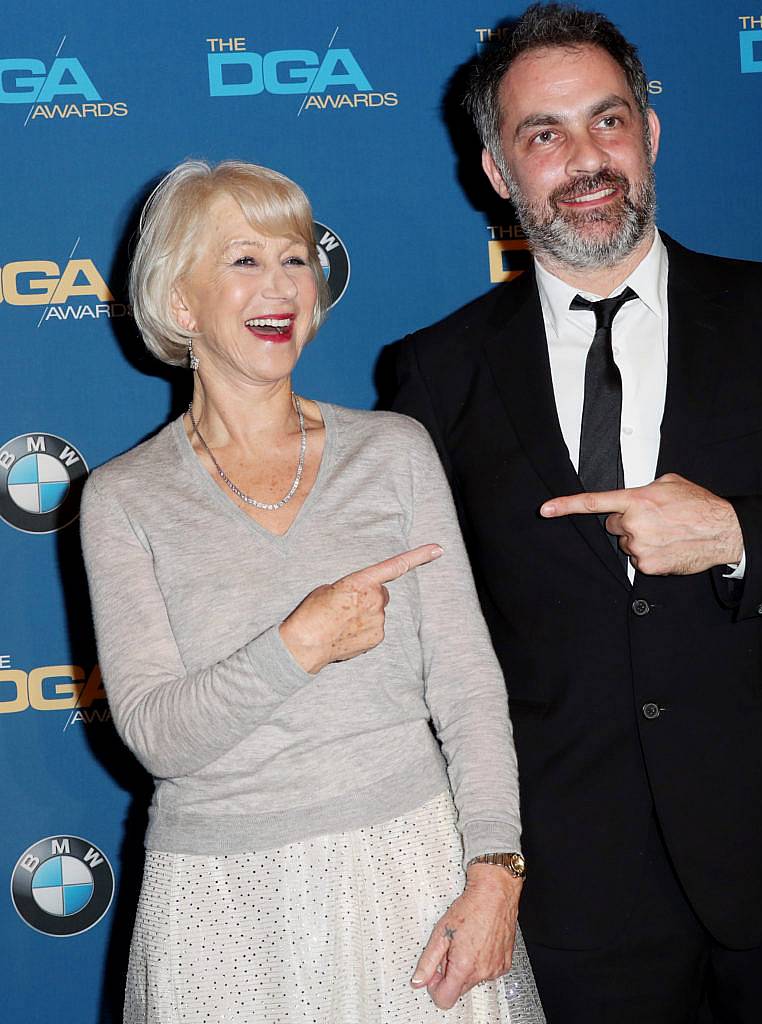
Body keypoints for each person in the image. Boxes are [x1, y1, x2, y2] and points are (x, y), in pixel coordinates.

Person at [387, 5, 762, 1023]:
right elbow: (419, 644)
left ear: (650, 133)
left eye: (609, 121)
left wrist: (742, 536)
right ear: (498, 170)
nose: (586, 160)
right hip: (570, 898)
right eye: (544, 134)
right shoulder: (434, 374)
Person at [80, 159, 544, 1023]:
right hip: (221, 901)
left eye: (294, 257)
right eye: (242, 259)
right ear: (181, 305)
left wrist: (496, 871)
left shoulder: (395, 451)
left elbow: (470, 689)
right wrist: (300, 644)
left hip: (413, 871)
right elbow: (154, 736)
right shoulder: (124, 498)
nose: (281, 284)